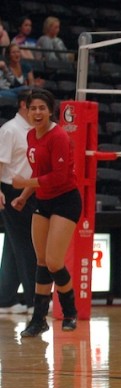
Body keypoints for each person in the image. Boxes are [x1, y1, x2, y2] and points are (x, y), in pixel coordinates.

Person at [10, 88, 80, 336]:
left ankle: (70, 312)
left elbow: (59, 178)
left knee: (53, 261)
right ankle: (39, 319)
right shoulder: (31, 136)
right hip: (43, 200)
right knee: (41, 261)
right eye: (33, 108)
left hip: (66, 200)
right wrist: (23, 196)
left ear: (51, 111)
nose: (37, 112)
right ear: (27, 110)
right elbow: (38, 172)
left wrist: (24, 185)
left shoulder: (59, 136)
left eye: (42, 108)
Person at [0, 89, 35, 315]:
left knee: (14, 246)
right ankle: (35, 301)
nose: (39, 110)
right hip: (12, 190)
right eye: (35, 105)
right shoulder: (10, 130)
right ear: (23, 104)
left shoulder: (34, 130)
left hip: (31, 190)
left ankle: (5, 299)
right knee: (26, 244)